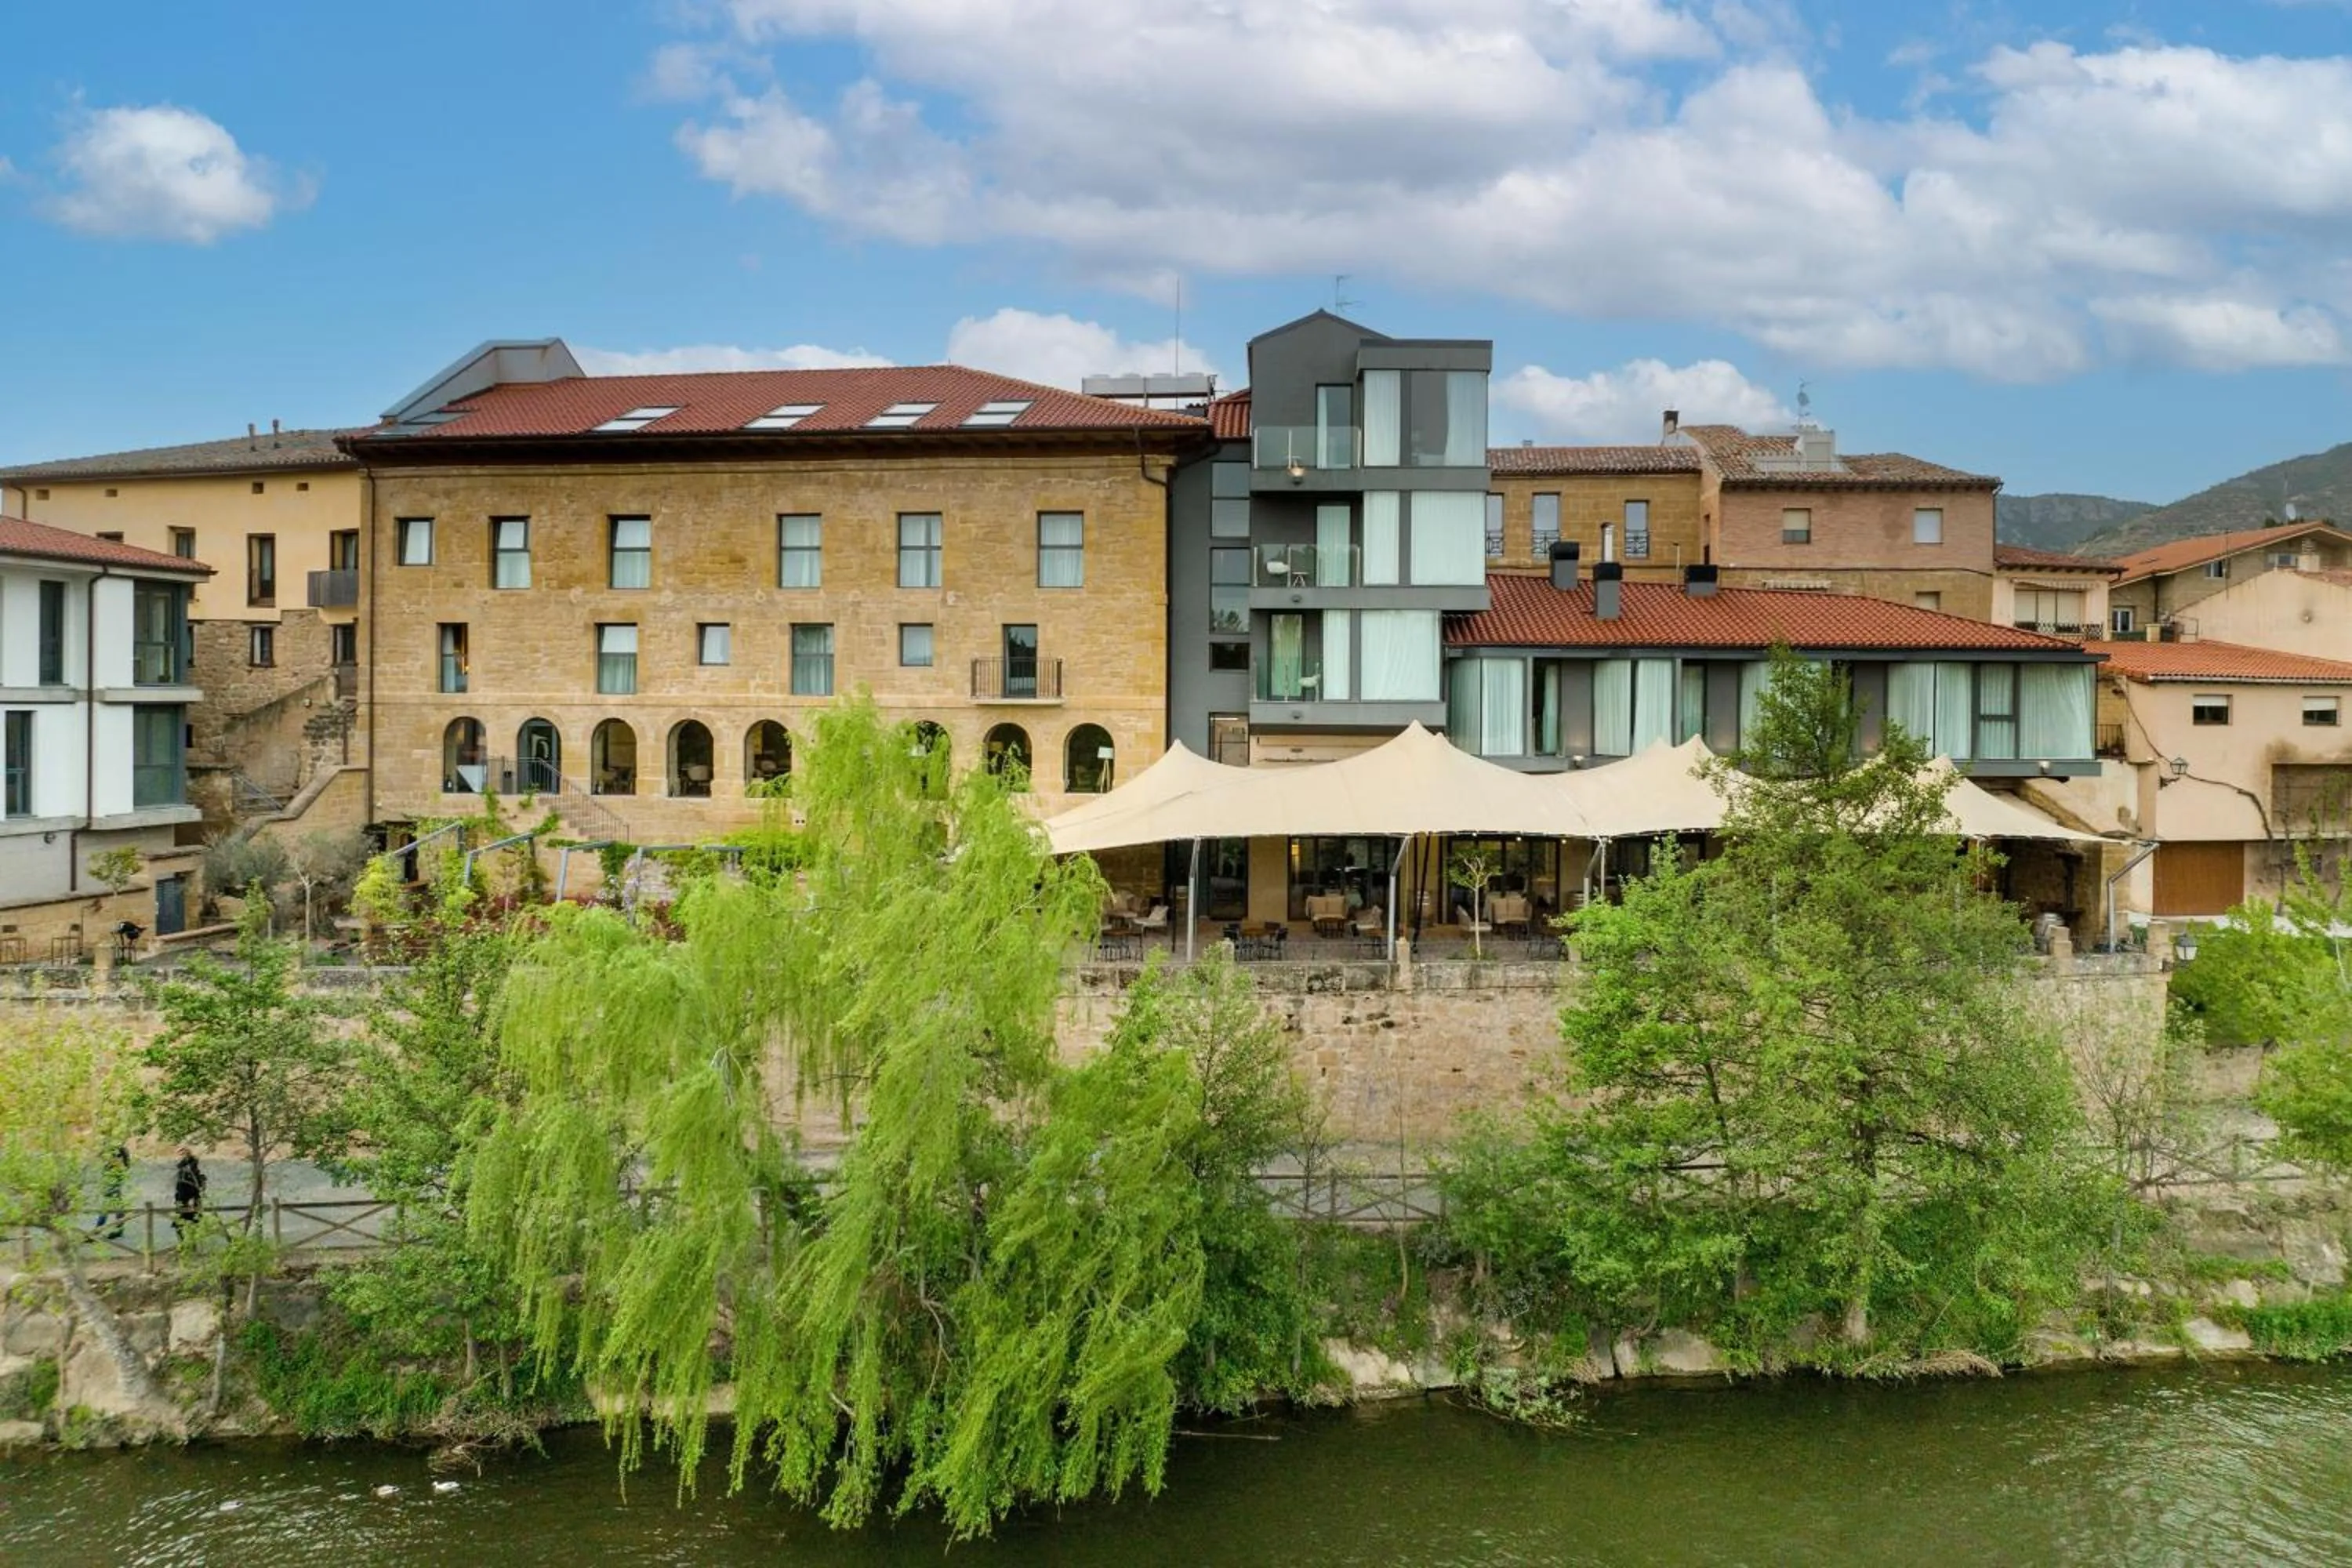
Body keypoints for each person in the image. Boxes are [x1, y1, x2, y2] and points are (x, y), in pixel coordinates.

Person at [91, 1145, 131, 1241]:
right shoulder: (112, 1165)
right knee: (118, 1212)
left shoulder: (118, 1166)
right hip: (110, 1192)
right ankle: (117, 1230)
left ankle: (98, 1232)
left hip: (113, 1192)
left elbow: (118, 1179)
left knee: (107, 1213)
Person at [171, 1149, 206, 1243]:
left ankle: (189, 1244)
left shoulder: (190, 1171)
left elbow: (198, 1187)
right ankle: (185, 1244)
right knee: (182, 1222)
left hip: (189, 1199)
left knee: (191, 1221)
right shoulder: (185, 1171)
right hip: (185, 1199)